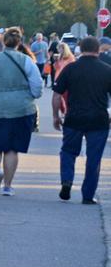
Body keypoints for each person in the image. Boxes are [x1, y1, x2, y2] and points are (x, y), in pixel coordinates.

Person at [0, 27, 42, 196]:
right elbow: (37, 87)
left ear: (3, 41)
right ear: (20, 42)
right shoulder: (27, 61)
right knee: (12, 148)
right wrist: (29, 96)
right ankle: (8, 186)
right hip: (21, 109)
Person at [52, 36, 111, 205]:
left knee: (68, 152)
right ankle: (88, 195)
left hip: (74, 117)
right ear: (98, 50)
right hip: (98, 120)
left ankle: (67, 181)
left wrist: (56, 116)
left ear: (80, 49)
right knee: (94, 158)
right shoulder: (107, 70)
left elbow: (57, 95)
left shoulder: (71, 69)